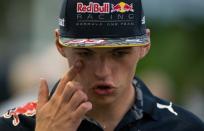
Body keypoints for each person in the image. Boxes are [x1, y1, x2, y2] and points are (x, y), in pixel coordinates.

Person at [0, 0, 204, 130]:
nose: (103, 71)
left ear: (145, 45)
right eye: (86, 53)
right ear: (59, 45)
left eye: (119, 53)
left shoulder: (184, 126)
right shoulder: (15, 124)